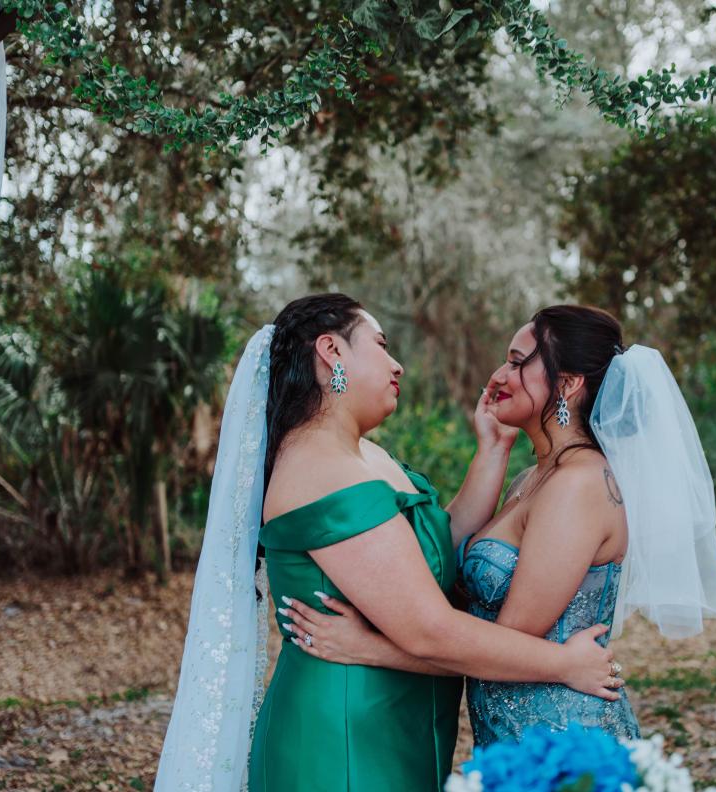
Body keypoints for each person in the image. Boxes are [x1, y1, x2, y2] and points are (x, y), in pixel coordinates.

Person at [155, 294, 624, 792]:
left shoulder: (364, 456)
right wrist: (563, 662)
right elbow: (430, 629)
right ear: (332, 351)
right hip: (343, 735)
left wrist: (492, 449)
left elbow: (436, 552)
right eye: (381, 344)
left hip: (398, 722)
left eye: (516, 361)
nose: (397, 363)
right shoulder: (320, 466)